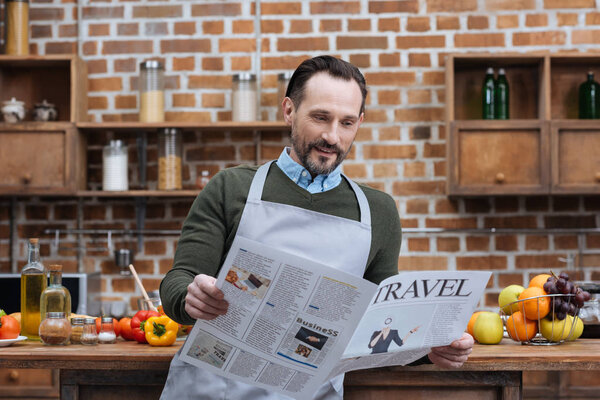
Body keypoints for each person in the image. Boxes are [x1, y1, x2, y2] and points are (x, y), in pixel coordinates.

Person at [159, 55, 474, 400]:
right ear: (289, 111)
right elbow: (180, 278)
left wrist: (430, 348)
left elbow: (380, 325)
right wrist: (190, 298)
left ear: (360, 123)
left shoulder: (378, 211)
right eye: (320, 117)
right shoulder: (230, 188)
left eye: (347, 123)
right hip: (213, 390)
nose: (332, 136)